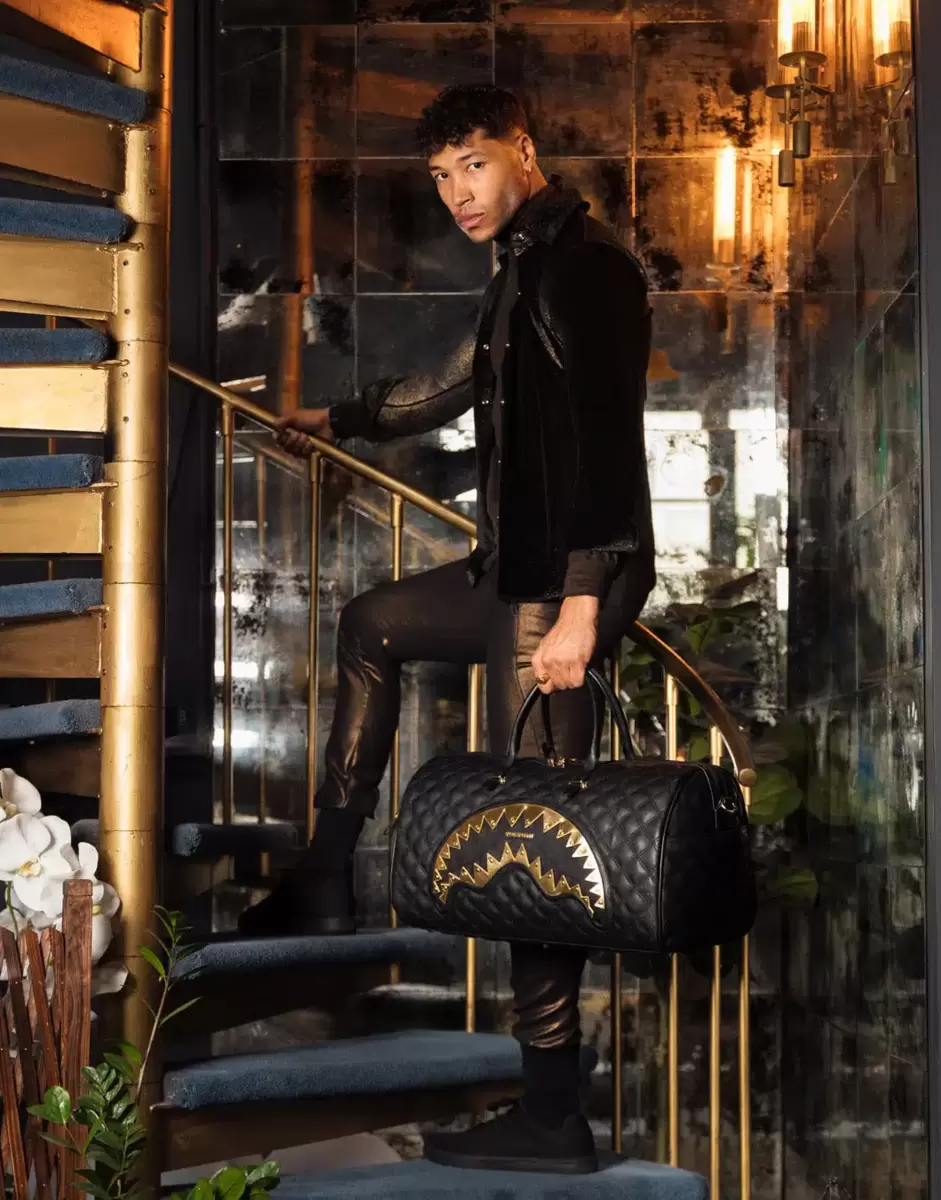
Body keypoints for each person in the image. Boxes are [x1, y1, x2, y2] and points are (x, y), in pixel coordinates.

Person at [240, 83, 655, 1175]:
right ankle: (327, 875)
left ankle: (553, 1113)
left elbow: (609, 448)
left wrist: (579, 609)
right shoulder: (520, 270)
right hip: (512, 571)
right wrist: (338, 418)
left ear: (523, 148)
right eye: (439, 177)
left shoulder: (589, 266)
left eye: (473, 164)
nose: (456, 193)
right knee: (372, 623)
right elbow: (448, 387)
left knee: (533, 827)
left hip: (565, 580)